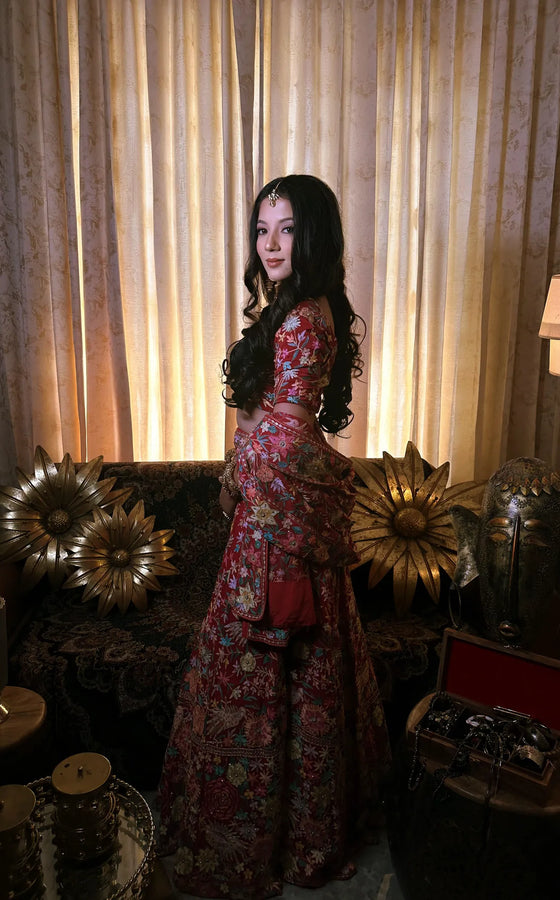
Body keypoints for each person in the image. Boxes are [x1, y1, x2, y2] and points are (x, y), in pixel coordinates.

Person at [157, 175, 391, 898]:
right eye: (263, 229)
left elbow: (288, 437)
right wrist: (247, 455)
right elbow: (271, 422)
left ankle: (280, 837)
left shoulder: (307, 318)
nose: (271, 243)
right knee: (278, 675)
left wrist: (244, 464)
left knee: (278, 666)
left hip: (280, 526)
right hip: (268, 513)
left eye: (286, 228)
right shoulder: (287, 312)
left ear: (312, 235)